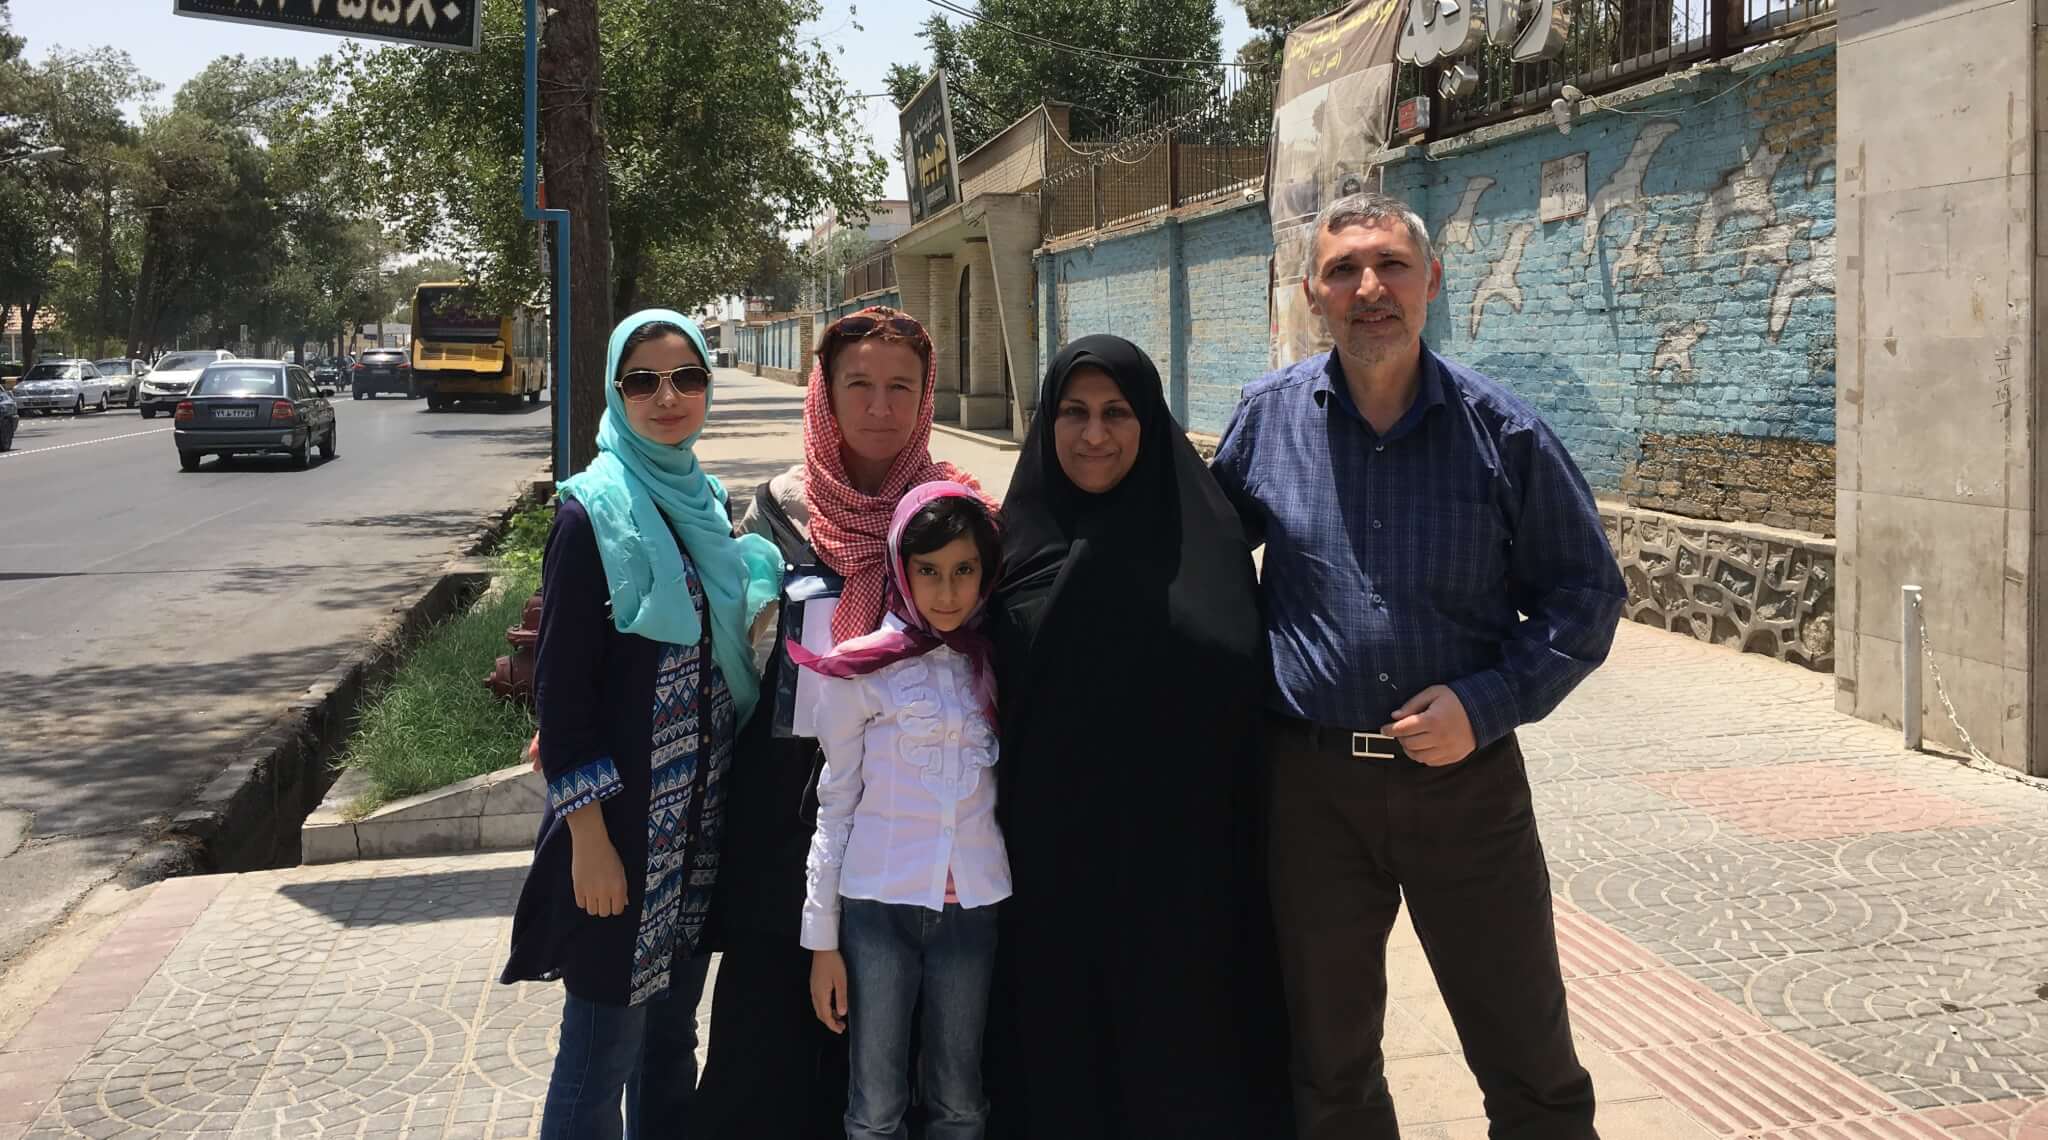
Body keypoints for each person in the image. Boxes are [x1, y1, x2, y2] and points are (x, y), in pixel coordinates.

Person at [1209, 191, 1627, 1140]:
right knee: (1328, 1064)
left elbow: (1586, 597)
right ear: (1311, 295)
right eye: (1345, 270)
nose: (1370, 289)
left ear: (1431, 281)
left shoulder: (1504, 433)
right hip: (1311, 794)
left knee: (1530, 1060)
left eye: (1391, 266)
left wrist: (1486, 705)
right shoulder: (1266, 424)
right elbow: (1203, 573)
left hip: (1467, 793)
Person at [986, 335, 1292, 1138]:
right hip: (1048, 879)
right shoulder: (1007, 547)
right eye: (1074, 413)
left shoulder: (1211, 546)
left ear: (1151, 421)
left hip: (1189, 881)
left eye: (1117, 413)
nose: (1095, 435)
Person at [696, 306, 986, 1138]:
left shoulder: (953, 516)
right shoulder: (776, 514)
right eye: (858, 385)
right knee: (766, 1046)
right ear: (824, 393)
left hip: (906, 824)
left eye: (902, 388)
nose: (881, 408)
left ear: (926, 396)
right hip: (787, 822)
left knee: (892, 1061)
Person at [500, 310, 782, 1140]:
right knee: (596, 1061)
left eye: (687, 378)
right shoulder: (591, 515)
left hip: (694, 839)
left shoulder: (704, 503)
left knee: (669, 1050)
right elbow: (563, 696)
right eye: (644, 381)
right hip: (619, 841)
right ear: (617, 394)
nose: (668, 397)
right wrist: (587, 839)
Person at [793, 483, 1009, 1140]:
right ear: (901, 570)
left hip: (972, 910)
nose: (947, 592)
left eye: (964, 570)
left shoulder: (998, 662)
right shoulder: (857, 670)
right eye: (929, 572)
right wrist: (822, 941)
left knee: (960, 1100)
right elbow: (836, 804)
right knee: (877, 1105)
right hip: (878, 911)